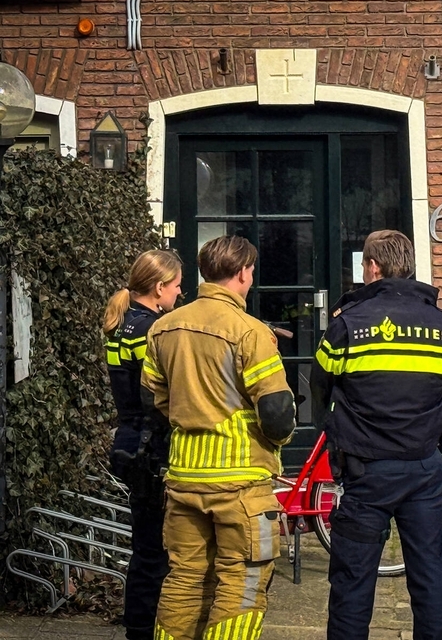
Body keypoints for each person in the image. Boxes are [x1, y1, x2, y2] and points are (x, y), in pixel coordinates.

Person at [310, 230, 442, 640]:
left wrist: (338, 431)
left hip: (365, 474)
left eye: (364, 265)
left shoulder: (349, 327)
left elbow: (320, 388)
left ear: (374, 267)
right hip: (425, 470)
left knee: (352, 585)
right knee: (431, 582)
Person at [141, 236, 295, 640]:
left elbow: (153, 398)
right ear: (244, 273)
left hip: (184, 479)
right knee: (242, 583)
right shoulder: (250, 331)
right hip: (240, 487)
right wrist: (273, 444)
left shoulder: (162, 328)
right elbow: (277, 413)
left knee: (184, 579)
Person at [103, 249, 182, 640]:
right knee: (155, 552)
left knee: (145, 548)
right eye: (178, 286)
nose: (180, 294)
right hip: (153, 449)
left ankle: (137, 624)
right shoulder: (152, 331)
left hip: (130, 440)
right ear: (159, 287)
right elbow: (162, 395)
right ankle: (143, 629)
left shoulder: (122, 324)